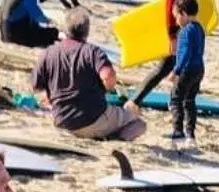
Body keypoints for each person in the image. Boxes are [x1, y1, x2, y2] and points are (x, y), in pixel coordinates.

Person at [33, 10, 146, 142]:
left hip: (62, 120)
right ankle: (114, 138)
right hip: (93, 117)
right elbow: (108, 76)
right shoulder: (93, 52)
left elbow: (37, 87)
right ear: (86, 31)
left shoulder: (48, 53)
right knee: (138, 122)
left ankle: (102, 133)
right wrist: (107, 88)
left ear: (65, 29)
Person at [130, 0, 208, 106]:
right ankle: (134, 101)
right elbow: (170, 3)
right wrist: (172, 34)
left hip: (182, 25)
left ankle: (174, 101)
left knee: (173, 66)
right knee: (164, 68)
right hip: (176, 26)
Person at [168, 0, 205, 145]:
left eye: (176, 16)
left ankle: (178, 133)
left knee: (175, 100)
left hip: (187, 70)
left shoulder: (185, 31)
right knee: (190, 101)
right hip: (199, 70)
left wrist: (176, 71)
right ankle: (191, 135)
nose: (176, 21)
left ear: (183, 13)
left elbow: (185, 53)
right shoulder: (199, 28)